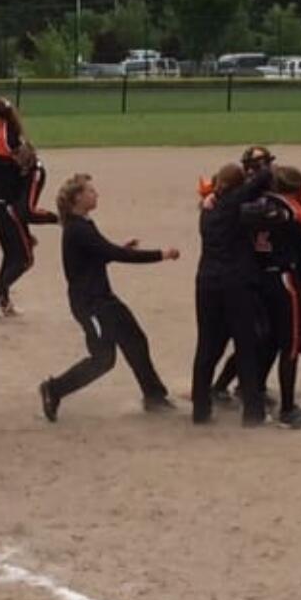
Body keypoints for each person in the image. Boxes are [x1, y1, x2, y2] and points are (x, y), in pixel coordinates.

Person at [38, 173, 180, 421]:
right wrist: (161, 254)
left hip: (103, 300)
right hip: (90, 305)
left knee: (135, 339)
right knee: (103, 359)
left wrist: (119, 249)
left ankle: (154, 395)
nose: (96, 194)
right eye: (91, 191)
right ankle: (54, 388)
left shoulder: (83, 224)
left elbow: (101, 253)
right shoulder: (78, 229)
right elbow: (110, 253)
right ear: (78, 198)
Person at [240, 166, 301, 429]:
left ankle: (255, 396)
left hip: (258, 279)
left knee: (265, 339)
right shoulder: (286, 208)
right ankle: (288, 408)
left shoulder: (248, 205)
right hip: (283, 280)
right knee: (291, 344)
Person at [191, 162, 266, 426]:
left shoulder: (207, 209)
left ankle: (200, 408)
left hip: (207, 282)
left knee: (206, 347)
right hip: (235, 283)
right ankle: (253, 412)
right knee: (246, 345)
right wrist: (260, 167)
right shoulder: (232, 204)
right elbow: (263, 180)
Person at [0, 123, 53, 318]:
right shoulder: (3, 161)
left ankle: (4, 301)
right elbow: (24, 162)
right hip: (9, 212)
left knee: (10, 256)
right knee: (25, 259)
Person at [0, 96, 58, 228]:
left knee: (27, 212)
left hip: (32, 174)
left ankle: (62, 219)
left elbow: (27, 161)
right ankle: (26, 237)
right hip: (19, 175)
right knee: (15, 211)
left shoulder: (8, 136)